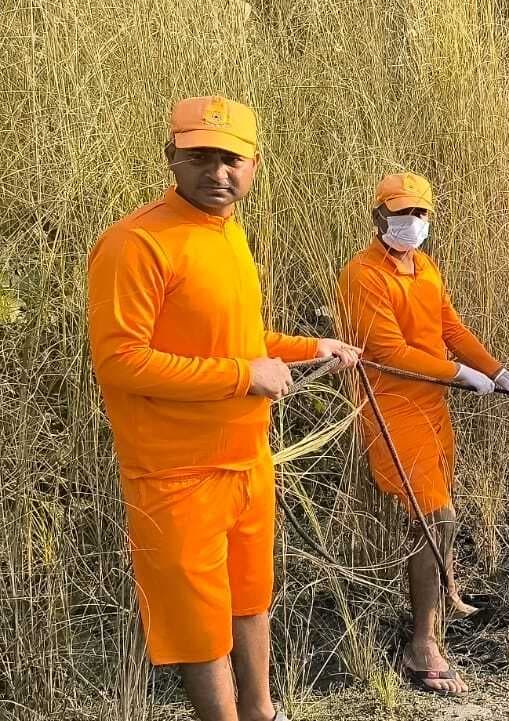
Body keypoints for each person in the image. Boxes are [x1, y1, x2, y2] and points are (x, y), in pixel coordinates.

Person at [86, 95, 361, 721]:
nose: (217, 173)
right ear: (171, 158)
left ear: (254, 165)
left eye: (230, 159)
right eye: (200, 157)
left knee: (250, 599)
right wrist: (244, 377)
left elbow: (238, 340)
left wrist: (309, 347)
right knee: (200, 625)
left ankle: (261, 711)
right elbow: (123, 361)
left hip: (247, 464)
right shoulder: (137, 244)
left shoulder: (230, 234)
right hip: (176, 476)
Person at [337, 172, 509, 695]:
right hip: (391, 409)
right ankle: (422, 643)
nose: (413, 222)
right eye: (403, 212)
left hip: (434, 408)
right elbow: (386, 351)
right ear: (378, 215)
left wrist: (498, 373)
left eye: (421, 213)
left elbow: (450, 328)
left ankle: (445, 591)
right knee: (435, 517)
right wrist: (460, 374)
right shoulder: (363, 274)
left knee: (441, 507)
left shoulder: (425, 264)